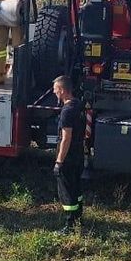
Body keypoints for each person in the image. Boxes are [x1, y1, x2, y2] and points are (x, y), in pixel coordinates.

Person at [52, 75, 85, 233]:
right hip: (78, 153)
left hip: (69, 156)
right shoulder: (79, 105)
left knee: (66, 190)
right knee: (76, 187)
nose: (55, 93)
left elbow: (66, 138)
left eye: (56, 90)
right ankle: (78, 217)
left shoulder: (67, 111)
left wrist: (59, 162)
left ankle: (69, 225)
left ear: (63, 91)